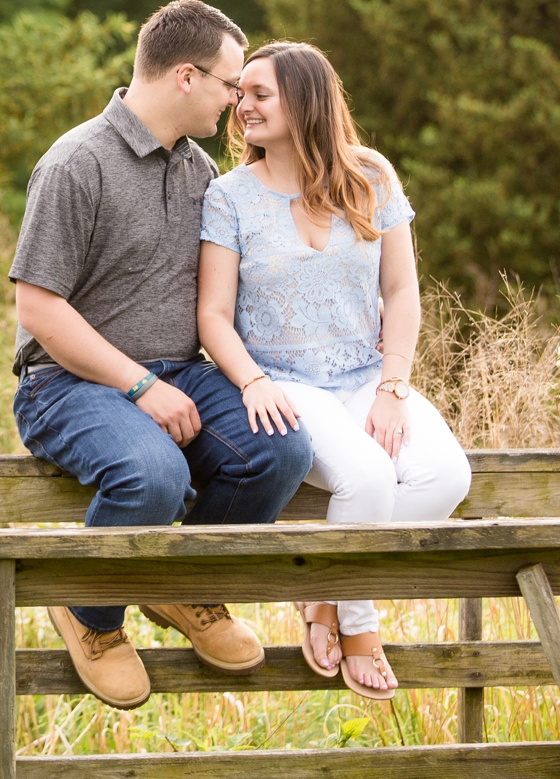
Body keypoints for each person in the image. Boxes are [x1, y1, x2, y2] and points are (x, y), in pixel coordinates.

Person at [10, 0, 317, 710]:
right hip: (66, 382)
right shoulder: (76, 162)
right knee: (153, 473)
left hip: (180, 373)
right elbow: (39, 309)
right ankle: (90, 613)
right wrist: (141, 385)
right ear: (186, 75)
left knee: (280, 447)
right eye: (230, 83)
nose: (238, 99)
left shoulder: (198, 169)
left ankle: (182, 584)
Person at [196, 40, 472, 701]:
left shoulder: (372, 177)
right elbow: (213, 313)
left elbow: (402, 292)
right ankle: (362, 626)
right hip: (282, 384)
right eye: (240, 94)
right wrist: (252, 381)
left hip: (365, 377)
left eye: (260, 93)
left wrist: (394, 385)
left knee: (446, 475)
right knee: (369, 477)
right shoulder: (227, 195)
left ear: (307, 99)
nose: (243, 106)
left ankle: (323, 592)